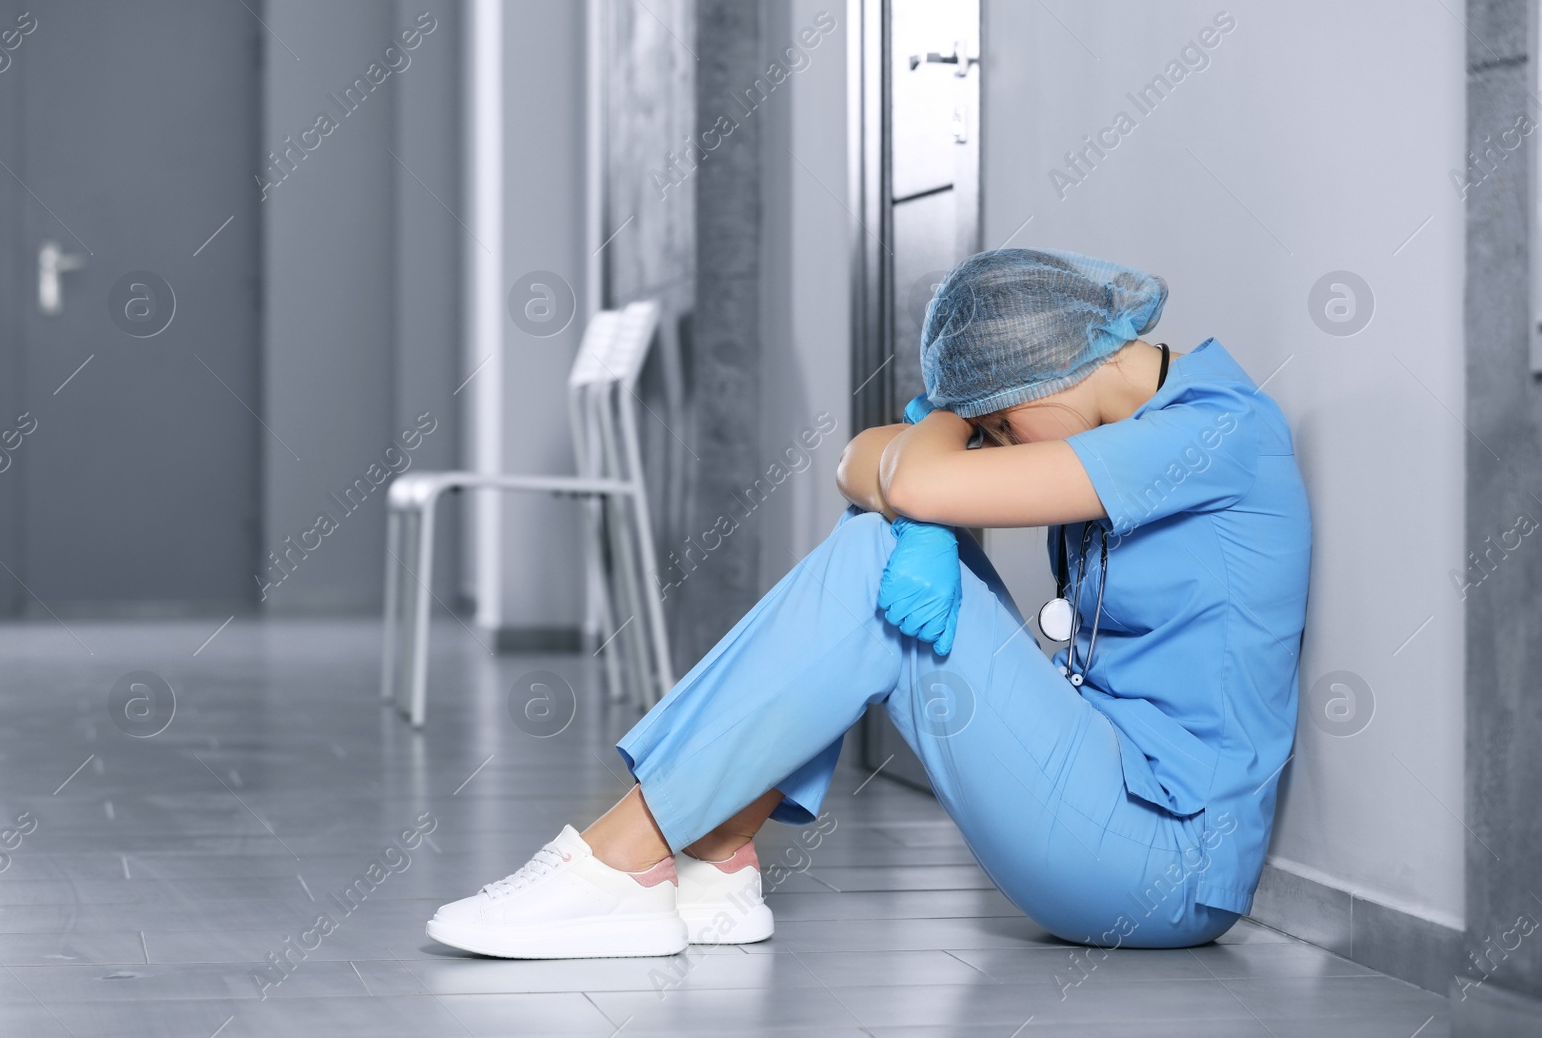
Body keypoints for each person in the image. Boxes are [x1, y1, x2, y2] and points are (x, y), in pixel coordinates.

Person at [426, 247, 1313, 960]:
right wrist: (939, 452)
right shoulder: (1130, 415)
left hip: (1162, 862)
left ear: (1052, 376)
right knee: (887, 545)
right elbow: (858, 458)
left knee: (883, 546)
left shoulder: (1210, 435)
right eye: (987, 433)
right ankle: (713, 856)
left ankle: (622, 864)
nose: (995, 447)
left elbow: (911, 477)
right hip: (1105, 798)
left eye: (997, 425)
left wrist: (936, 429)